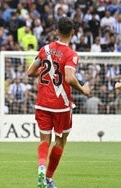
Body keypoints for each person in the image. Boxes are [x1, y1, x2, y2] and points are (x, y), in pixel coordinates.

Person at [26, 17, 91, 188]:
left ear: (56, 31)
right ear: (73, 33)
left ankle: (41, 167)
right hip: (61, 105)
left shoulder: (44, 49)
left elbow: (30, 72)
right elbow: (69, 78)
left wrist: (48, 69)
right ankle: (48, 178)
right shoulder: (71, 54)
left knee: (44, 140)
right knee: (60, 141)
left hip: (42, 102)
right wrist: (83, 89)